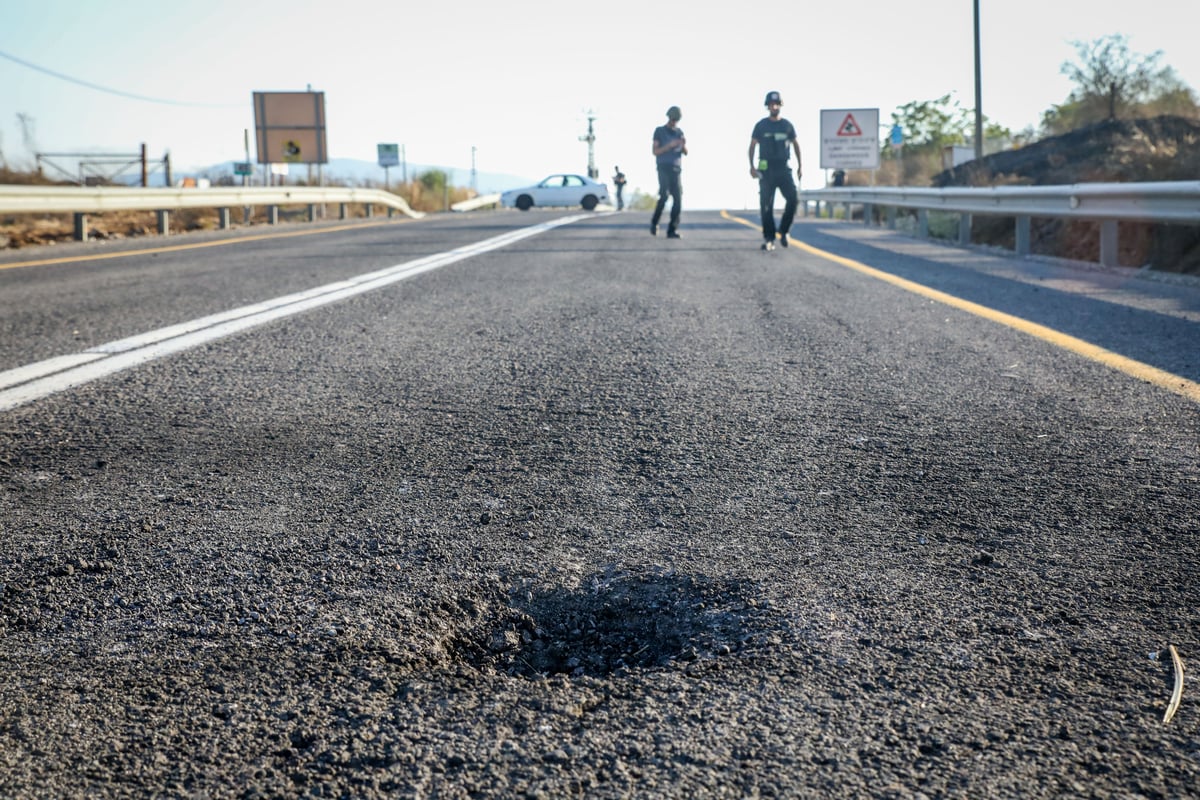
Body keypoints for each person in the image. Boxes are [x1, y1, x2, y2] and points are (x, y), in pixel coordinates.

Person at [748, 90, 802, 251]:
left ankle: (784, 231)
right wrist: (751, 166)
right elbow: (752, 146)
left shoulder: (786, 126)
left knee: (793, 199)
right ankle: (769, 238)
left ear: (780, 106)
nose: (774, 107)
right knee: (766, 205)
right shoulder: (761, 125)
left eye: (776, 104)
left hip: (783, 167)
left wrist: (801, 165)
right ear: (767, 106)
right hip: (765, 168)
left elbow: (796, 144)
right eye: (771, 104)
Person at [651, 106, 687, 238]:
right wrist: (669, 146)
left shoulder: (679, 132)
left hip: (676, 169)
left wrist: (683, 145)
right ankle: (654, 222)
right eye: (672, 119)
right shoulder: (659, 131)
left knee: (678, 199)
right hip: (663, 167)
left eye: (676, 120)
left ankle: (672, 230)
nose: (674, 122)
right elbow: (655, 151)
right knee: (664, 196)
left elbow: (686, 152)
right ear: (668, 117)